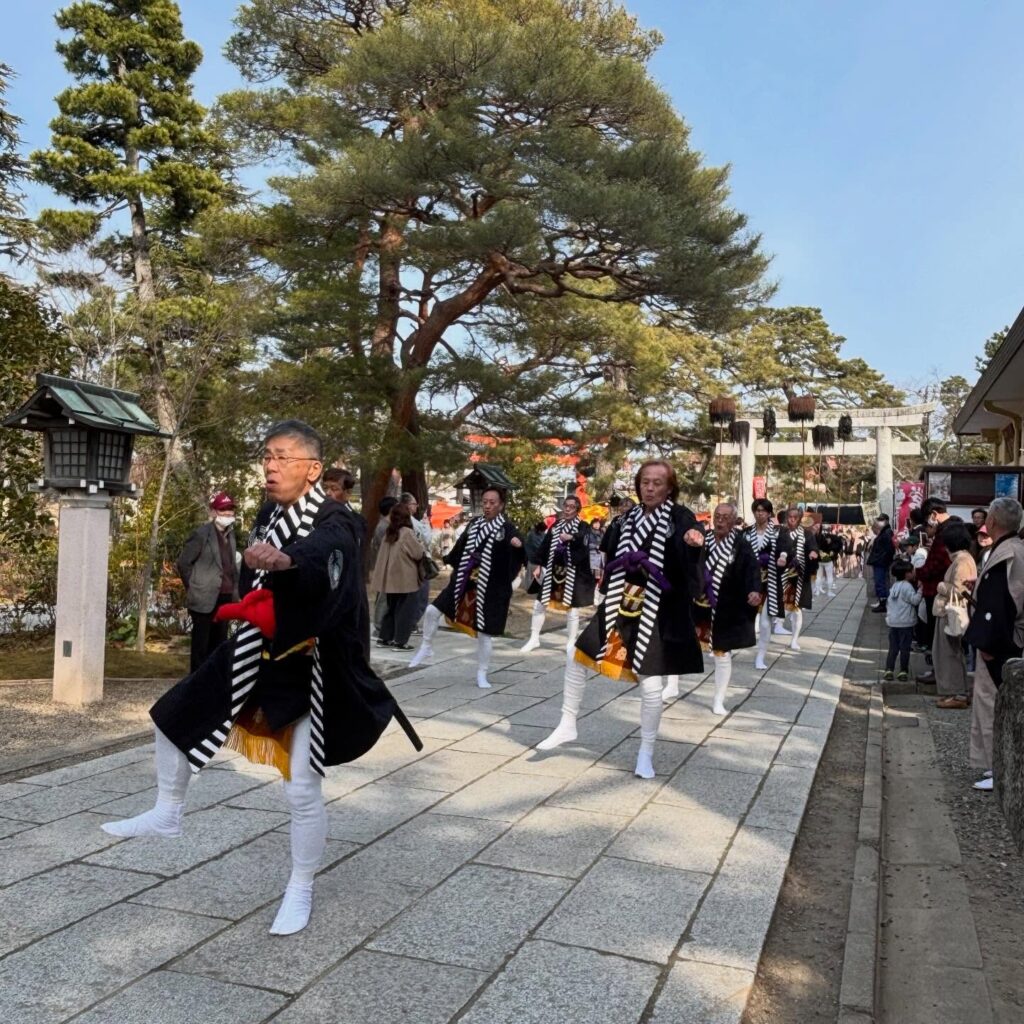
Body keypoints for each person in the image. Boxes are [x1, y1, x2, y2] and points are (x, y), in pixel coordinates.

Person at [102, 420, 419, 936]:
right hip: (256, 646)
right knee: (172, 717)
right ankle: (168, 810)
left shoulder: (337, 520)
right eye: (267, 456)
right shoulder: (270, 512)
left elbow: (327, 554)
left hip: (311, 662)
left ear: (313, 469)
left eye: (283, 457)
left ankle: (300, 886)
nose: (271, 466)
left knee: (301, 787)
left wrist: (290, 559)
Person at [536, 460, 705, 779]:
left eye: (657, 483)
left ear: (670, 487)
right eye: (645, 482)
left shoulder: (680, 517)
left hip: (658, 607)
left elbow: (691, 543)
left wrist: (694, 543)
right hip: (620, 599)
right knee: (576, 655)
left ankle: (646, 752)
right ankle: (567, 723)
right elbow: (608, 552)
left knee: (650, 682)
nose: (650, 488)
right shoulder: (627, 518)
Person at [409, 487, 525, 687]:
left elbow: (521, 552)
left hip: (489, 586)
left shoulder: (507, 529)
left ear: (501, 505)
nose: (487, 506)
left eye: (492, 502)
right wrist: (447, 558)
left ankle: (482, 673)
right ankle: (426, 646)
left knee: (484, 633)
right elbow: (460, 547)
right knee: (431, 611)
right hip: (464, 580)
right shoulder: (474, 524)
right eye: (485, 502)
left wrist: (519, 546)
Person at [965, 497, 1024, 791]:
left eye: (987, 516)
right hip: (1010, 639)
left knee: (992, 704)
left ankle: (996, 766)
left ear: (993, 521)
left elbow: (999, 606)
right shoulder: (1015, 549)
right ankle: (999, 765)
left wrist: (988, 645)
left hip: (1001, 642)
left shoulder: (1005, 555)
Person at [683, 503, 760, 713]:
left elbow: (752, 569)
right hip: (697, 604)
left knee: (722, 653)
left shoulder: (741, 543)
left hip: (725, 606)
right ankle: (671, 685)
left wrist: (754, 590)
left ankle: (718, 700)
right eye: (717, 516)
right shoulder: (703, 539)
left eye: (725, 517)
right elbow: (687, 563)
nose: (720, 521)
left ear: (734, 521)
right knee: (679, 644)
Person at [522, 496, 597, 655]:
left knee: (572, 609)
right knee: (539, 604)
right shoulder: (557, 525)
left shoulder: (582, 525)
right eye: (566, 505)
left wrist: (572, 537)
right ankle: (534, 638)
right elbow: (545, 546)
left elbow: (583, 538)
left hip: (572, 573)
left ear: (577, 510)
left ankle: (571, 642)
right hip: (552, 571)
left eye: (572, 506)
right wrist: (538, 565)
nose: (568, 509)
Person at [176, 492, 240, 672]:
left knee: (219, 644)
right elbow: (183, 563)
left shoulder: (231, 534)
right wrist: (194, 586)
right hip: (203, 598)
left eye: (230, 509)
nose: (227, 513)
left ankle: (213, 681)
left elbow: (231, 565)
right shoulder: (201, 534)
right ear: (213, 512)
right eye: (223, 509)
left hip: (225, 597)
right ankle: (196, 682)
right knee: (201, 646)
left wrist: (236, 591)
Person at [932, 522, 978, 709]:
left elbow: (959, 590)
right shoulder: (964, 558)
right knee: (950, 652)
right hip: (952, 612)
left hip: (951, 612)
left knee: (948, 653)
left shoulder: (962, 561)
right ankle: (957, 691)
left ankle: (957, 693)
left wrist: (941, 586)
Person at [371, 504, 428, 650]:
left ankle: (384, 638)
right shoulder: (407, 532)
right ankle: (400, 641)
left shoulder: (389, 533)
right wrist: (421, 545)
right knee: (406, 610)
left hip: (390, 579)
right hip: (405, 579)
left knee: (391, 609)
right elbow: (417, 553)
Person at [914, 500, 952, 683]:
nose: (928, 525)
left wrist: (919, 572)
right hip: (939, 588)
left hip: (938, 590)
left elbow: (937, 564)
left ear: (934, 515)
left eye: (928, 520)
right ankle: (939, 672)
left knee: (938, 636)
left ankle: (939, 673)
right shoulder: (949, 528)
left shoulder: (945, 533)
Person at [744, 497, 781, 670]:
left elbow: (786, 548)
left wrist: (782, 557)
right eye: (757, 510)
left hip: (770, 581)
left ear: (769, 513)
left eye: (764, 511)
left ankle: (761, 656)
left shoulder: (778, 532)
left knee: (765, 623)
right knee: (744, 619)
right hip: (749, 581)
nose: (760, 514)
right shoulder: (745, 532)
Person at [775, 508, 819, 651]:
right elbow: (777, 549)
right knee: (776, 605)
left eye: (795, 517)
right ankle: (777, 625)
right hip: (782, 576)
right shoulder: (781, 533)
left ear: (800, 519)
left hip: (800, 578)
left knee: (797, 610)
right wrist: (781, 557)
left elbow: (813, 547)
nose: (792, 519)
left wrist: (813, 552)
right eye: (790, 517)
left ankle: (794, 639)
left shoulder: (807, 534)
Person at [883, 561, 921, 681]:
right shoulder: (907, 586)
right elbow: (915, 600)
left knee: (893, 648)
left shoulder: (894, 586)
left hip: (893, 622)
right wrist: (921, 590)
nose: (914, 573)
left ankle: (889, 670)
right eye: (912, 571)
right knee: (905, 648)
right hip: (905, 623)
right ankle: (903, 671)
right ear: (907, 574)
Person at [866, 516, 895, 612]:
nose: (873, 528)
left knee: (880, 582)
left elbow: (889, 549)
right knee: (881, 582)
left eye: (875, 526)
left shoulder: (886, 534)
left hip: (881, 561)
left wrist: (883, 559)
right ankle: (882, 602)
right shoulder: (885, 533)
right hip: (880, 561)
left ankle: (883, 604)